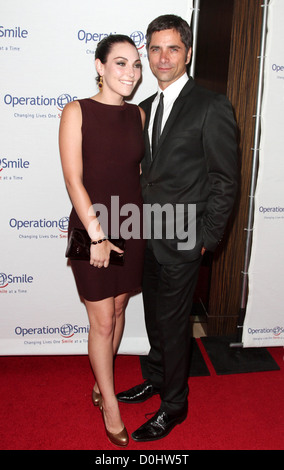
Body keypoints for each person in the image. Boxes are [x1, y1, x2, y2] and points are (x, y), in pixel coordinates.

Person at [116, 15, 238, 442]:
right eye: (154, 48)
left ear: (187, 52)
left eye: (172, 48)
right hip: (147, 233)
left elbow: (225, 180)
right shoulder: (144, 108)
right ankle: (155, 377)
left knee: (173, 322)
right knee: (153, 318)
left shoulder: (211, 106)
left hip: (186, 238)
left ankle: (175, 405)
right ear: (147, 53)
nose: (162, 57)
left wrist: (208, 239)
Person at [59, 35, 145, 447]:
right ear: (100, 66)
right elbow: (74, 180)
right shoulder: (76, 111)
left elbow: (136, 175)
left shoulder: (139, 115)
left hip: (132, 224)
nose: (131, 73)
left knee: (120, 306)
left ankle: (101, 382)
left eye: (136, 65)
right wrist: (96, 235)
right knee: (103, 320)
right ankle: (109, 403)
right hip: (92, 228)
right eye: (121, 63)